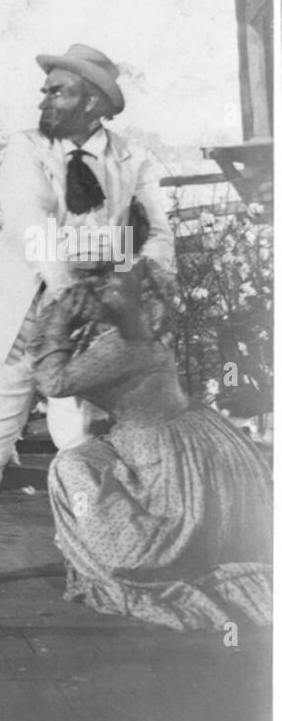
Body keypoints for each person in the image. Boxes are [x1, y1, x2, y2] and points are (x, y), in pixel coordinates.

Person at [0, 44, 175, 595]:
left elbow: (159, 232)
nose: (43, 98)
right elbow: (30, 225)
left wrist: (155, 282)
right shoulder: (25, 149)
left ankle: (91, 556)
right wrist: (100, 254)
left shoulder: (131, 160)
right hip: (21, 318)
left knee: (80, 443)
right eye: (45, 89)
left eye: (58, 91)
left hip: (89, 331)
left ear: (93, 102)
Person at [32, 262, 272, 631]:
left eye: (99, 289)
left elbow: (54, 381)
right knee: (84, 460)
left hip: (170, 449)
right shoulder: (132, 334)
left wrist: (58, 322)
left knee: (70, 467)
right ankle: (127, 547)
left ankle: (131, 558)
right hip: (186, 438)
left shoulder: (126, 343)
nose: (85, 295)